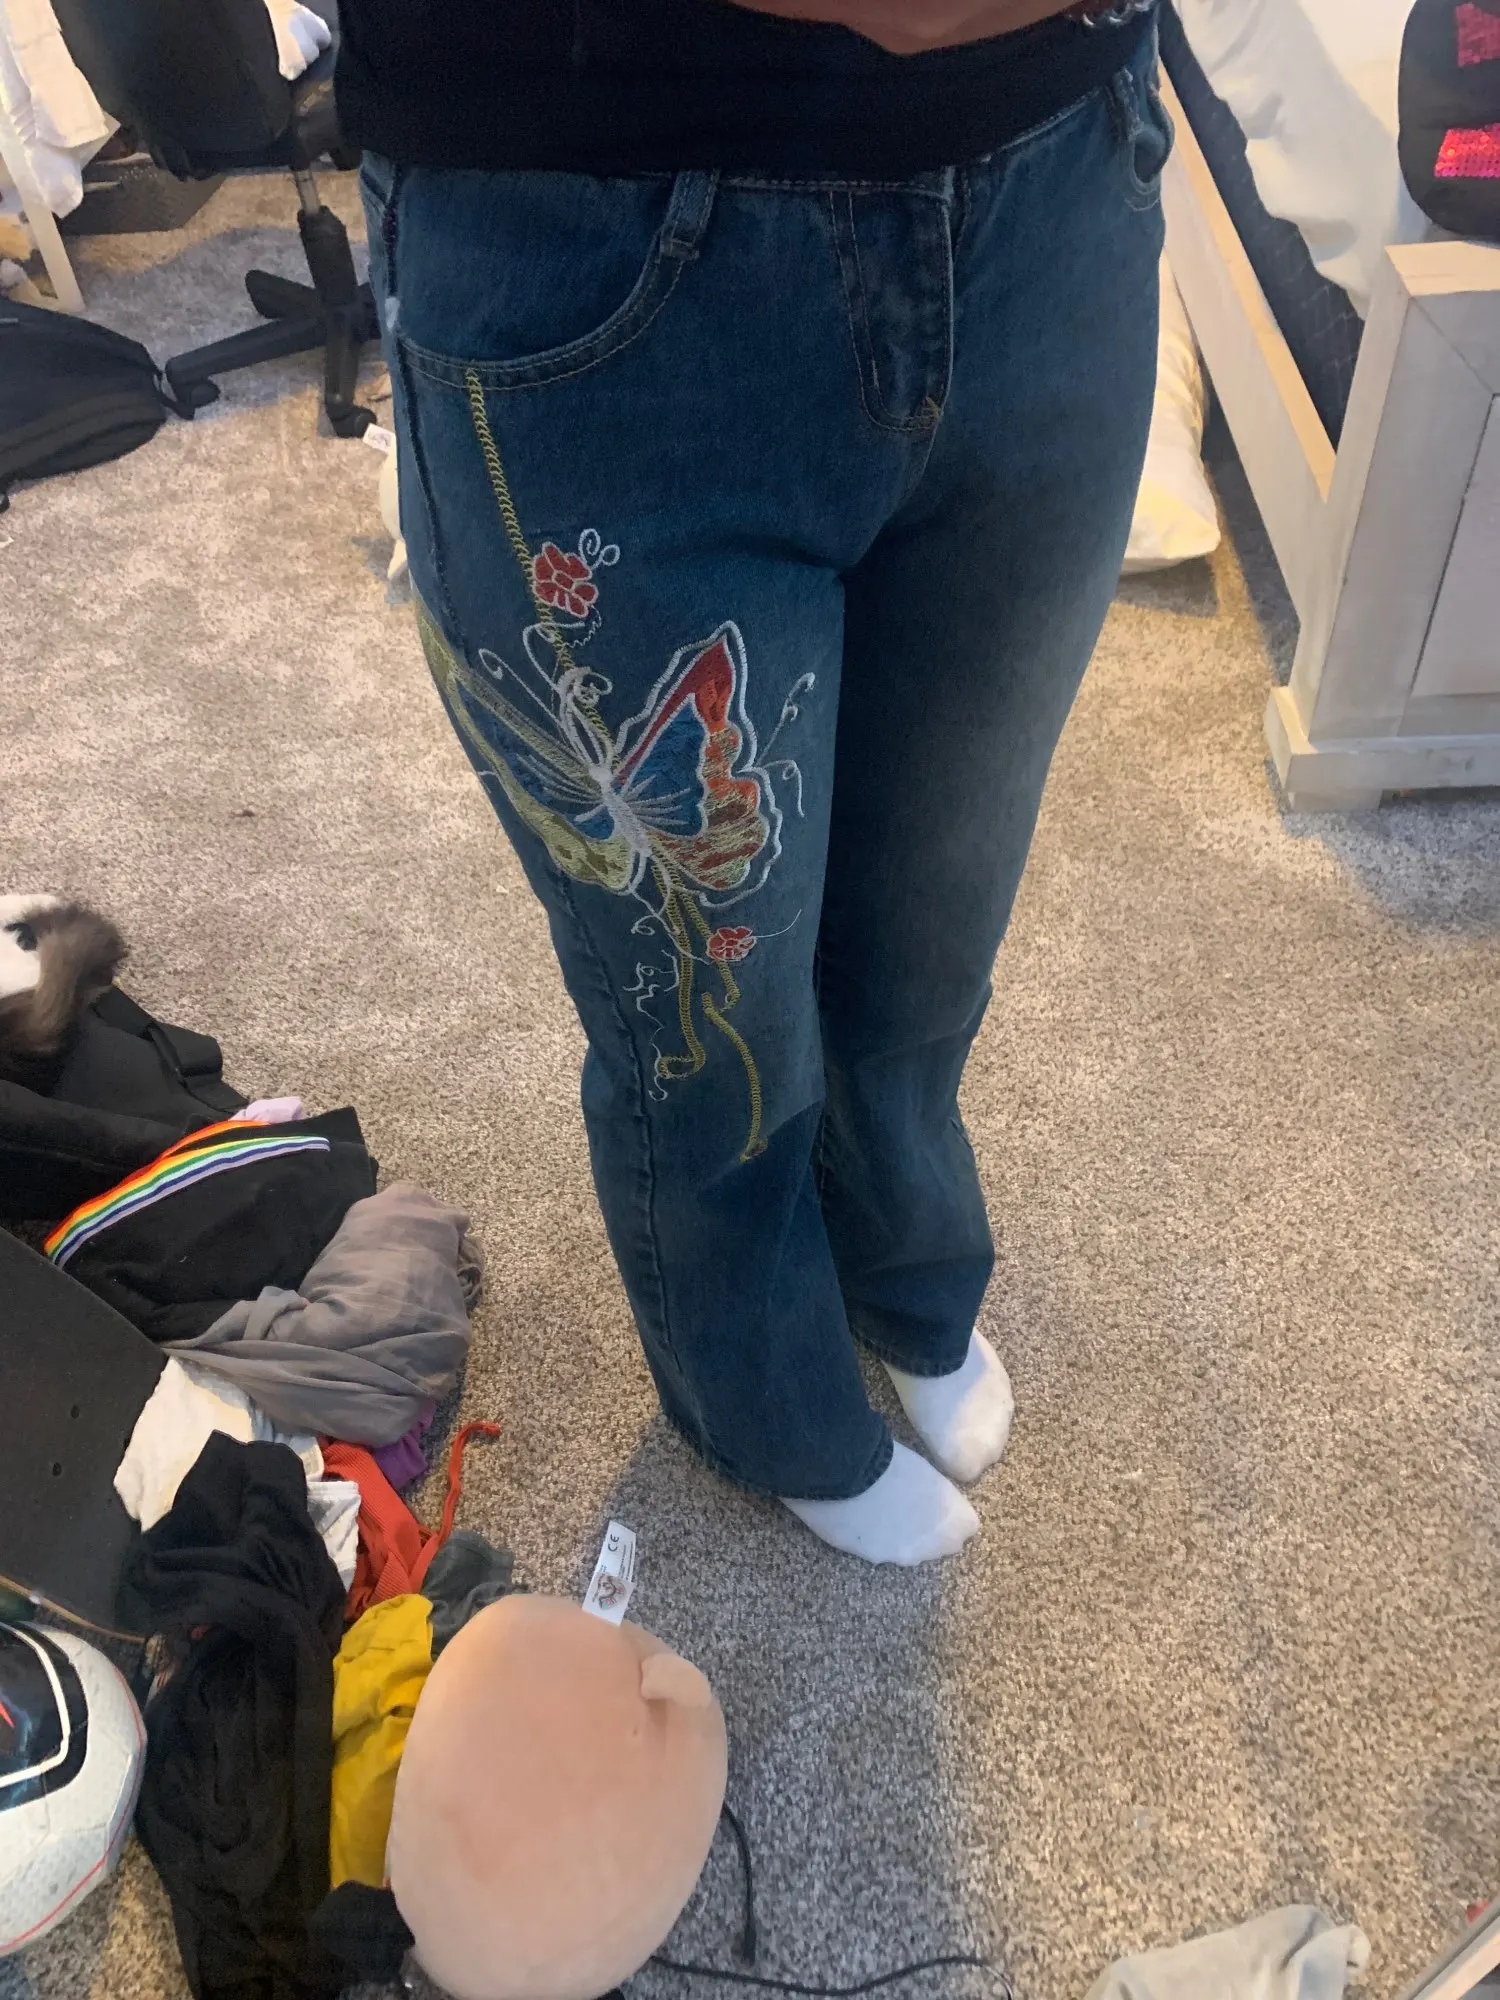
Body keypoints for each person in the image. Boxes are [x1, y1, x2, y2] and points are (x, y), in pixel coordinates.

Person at [338, 0, 1172, 1565]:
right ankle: (762, 1396)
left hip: (1057, 164)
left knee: (936, 912)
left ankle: (904, 1268)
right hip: (596, 207)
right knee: (707, 1012)